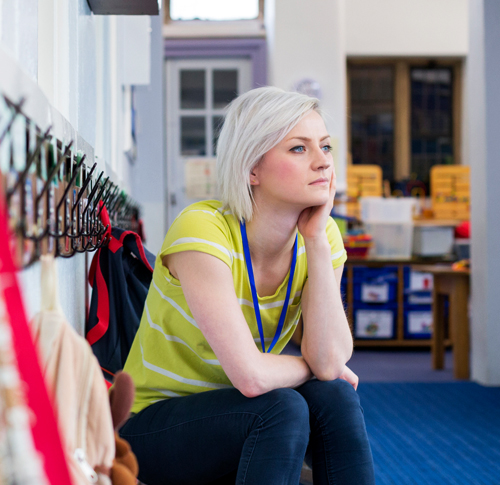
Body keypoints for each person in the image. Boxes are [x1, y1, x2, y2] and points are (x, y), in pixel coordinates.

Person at [119, 86, 375, 484]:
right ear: (252, 168)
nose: (323, 162)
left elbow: (332, 360)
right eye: (298, 149)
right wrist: (311, 367)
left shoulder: (321, 238)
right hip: (153, 427)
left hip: (242, 411)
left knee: (335, 397)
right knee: (282, 407)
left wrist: (316, 242)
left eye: (325, 147)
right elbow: (253, 377)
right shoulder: (203, 230)